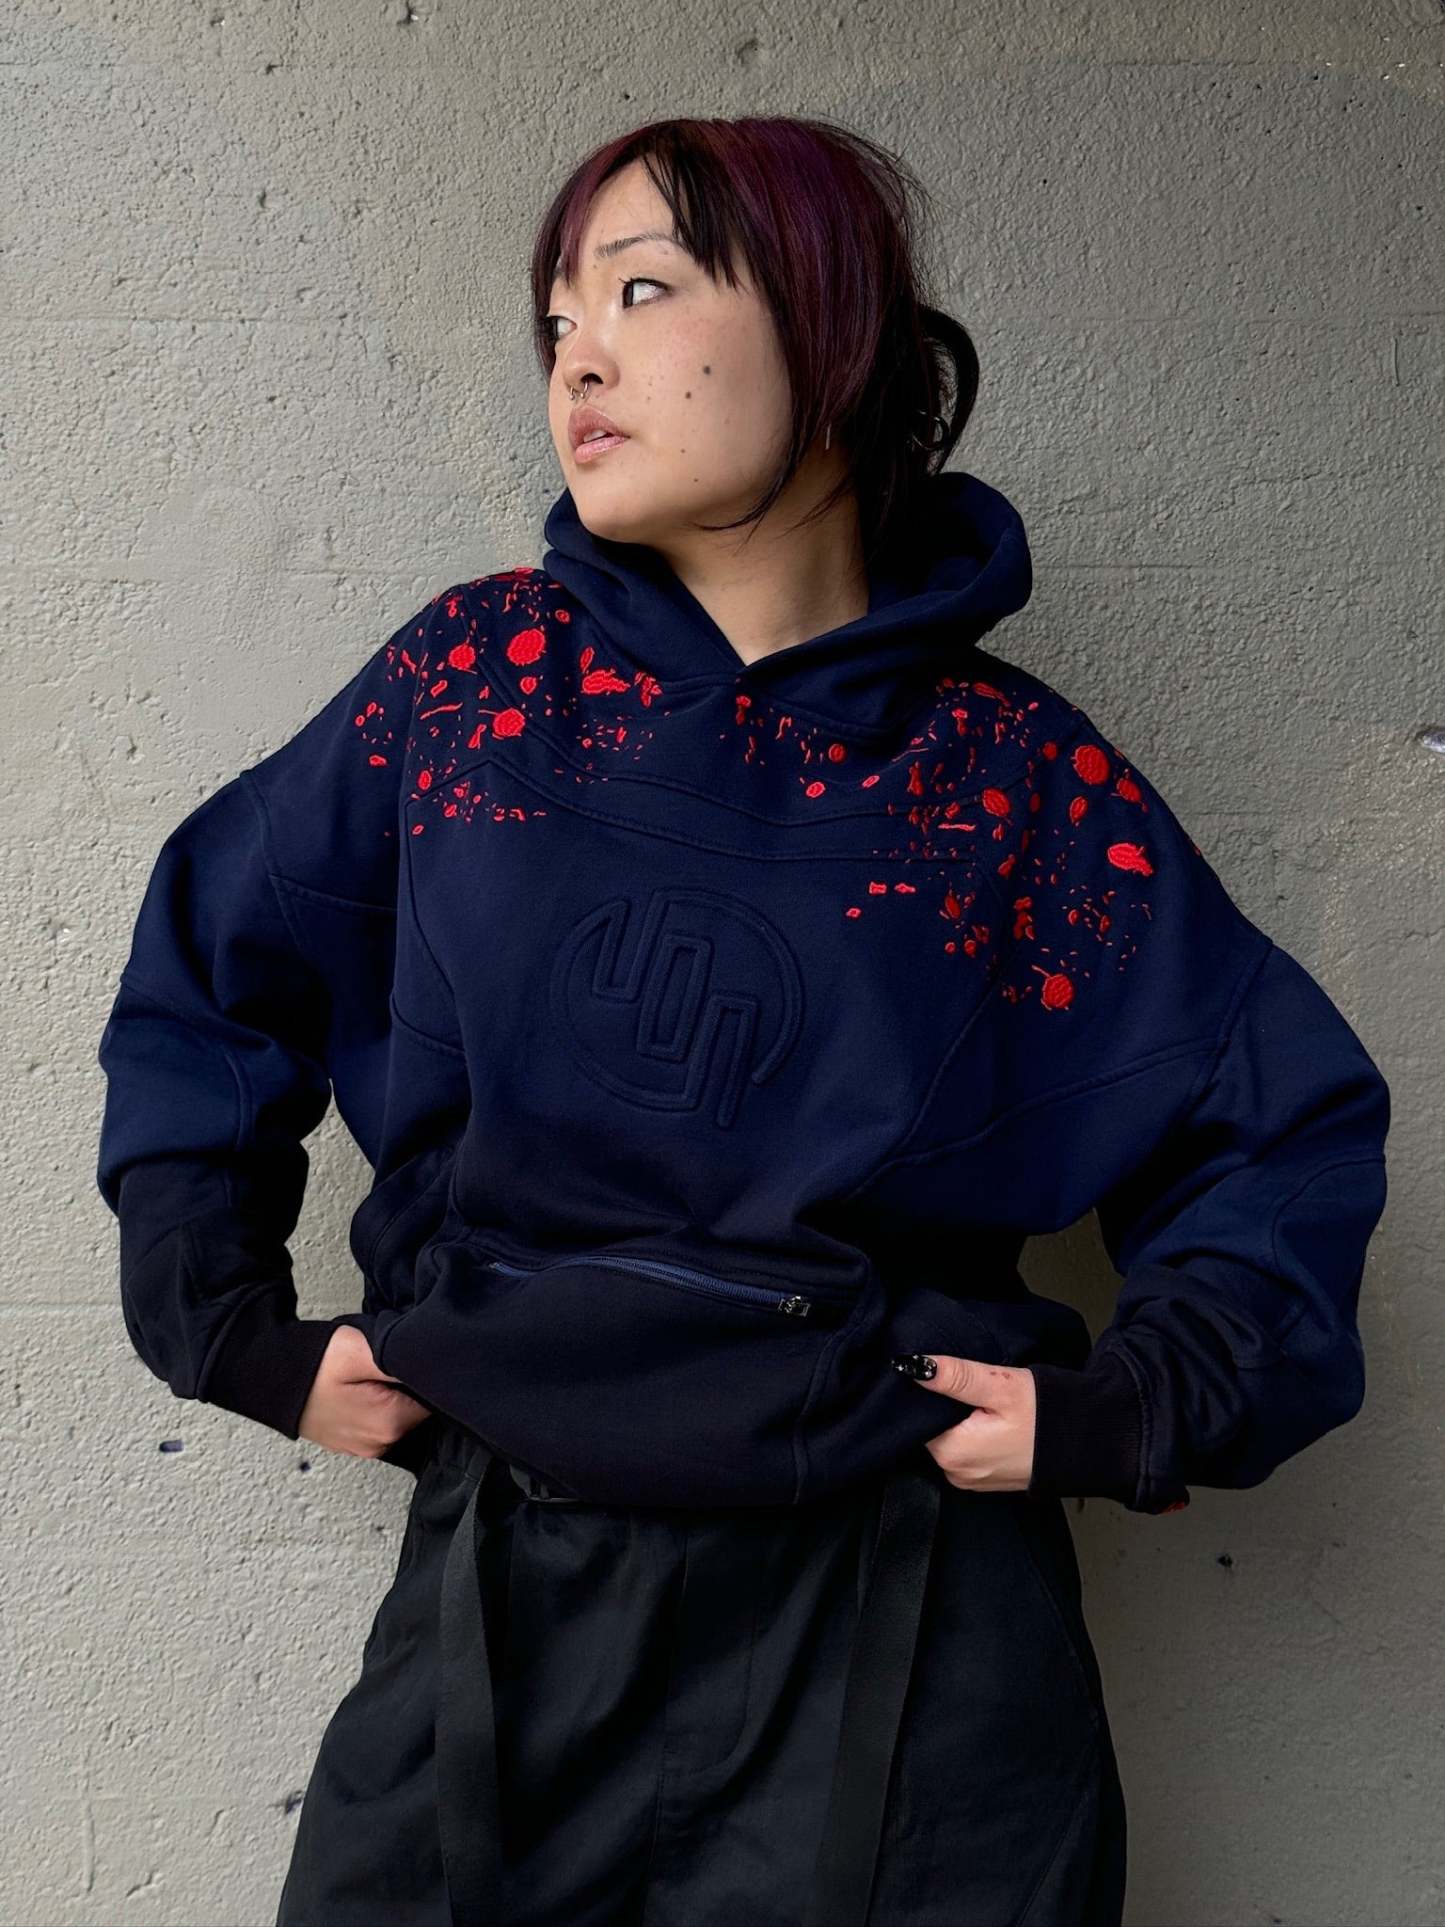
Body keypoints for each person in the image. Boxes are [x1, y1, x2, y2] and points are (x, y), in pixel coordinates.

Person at [95, 116, 1391, 1927]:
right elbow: (207, 971)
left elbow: (1272, 1117)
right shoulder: (470, 690)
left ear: (829, 331)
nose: (580, 359)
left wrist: (1138, 1407)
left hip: (911, 1628)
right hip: (506, 1596)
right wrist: (228, 1329)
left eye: (639, 293)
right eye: (558, 321)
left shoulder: (1009, 777)